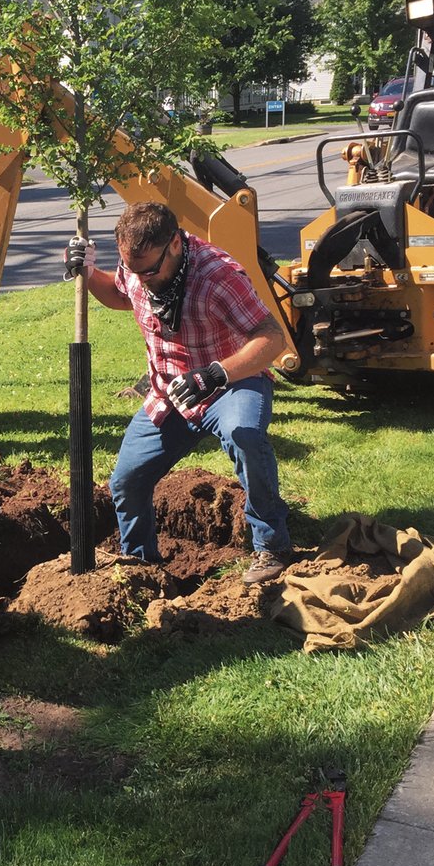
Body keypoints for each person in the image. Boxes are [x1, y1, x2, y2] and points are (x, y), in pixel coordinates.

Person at [64, 201, 293, 586]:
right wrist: (86, 273)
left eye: (149, 270)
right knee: (126, 481)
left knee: (245, 436)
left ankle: (272, 543)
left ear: (174, 244)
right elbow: (122, 296)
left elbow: (271, 338)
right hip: (169, 391)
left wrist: (216, 374)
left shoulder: (217, 274)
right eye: (133, 269)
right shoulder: (140, 267)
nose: (142, 278)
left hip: (231, 383)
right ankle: (141, 566)